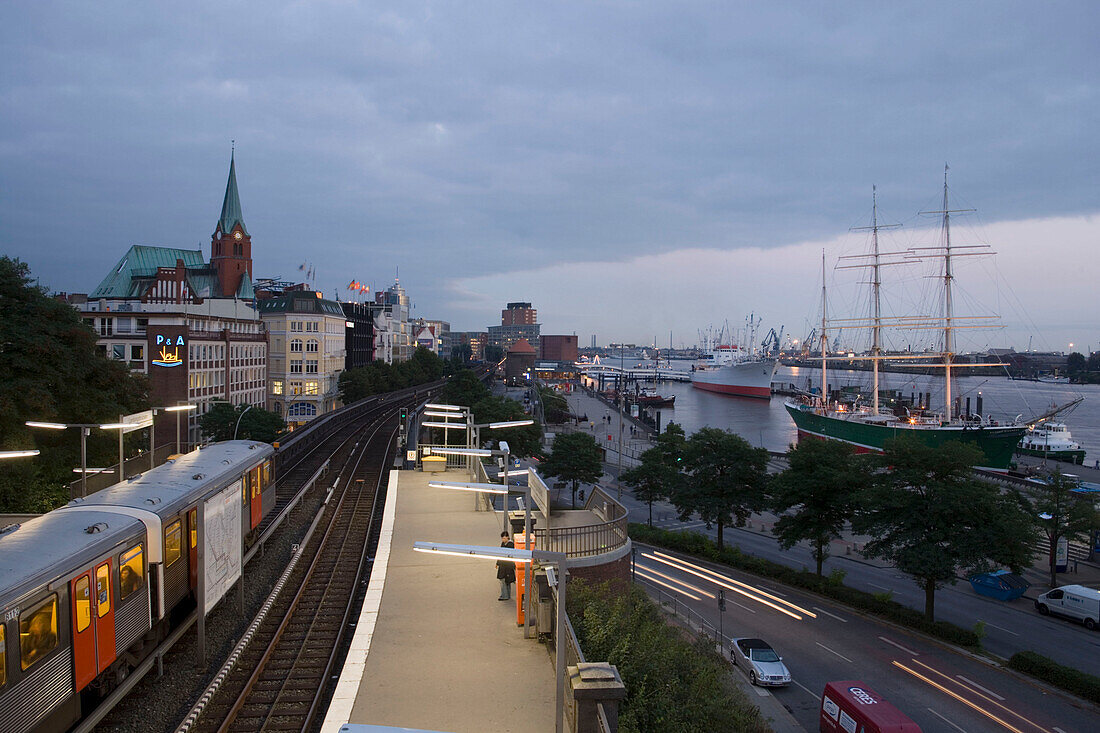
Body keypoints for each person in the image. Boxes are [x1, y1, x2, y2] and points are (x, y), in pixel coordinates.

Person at [497, 531, 516, 601]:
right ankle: (507, 595)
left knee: (503, 580)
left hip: (507, 566)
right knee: (506, 581)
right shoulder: (504, 543)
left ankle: (505, 595)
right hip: (504, 565)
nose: (503, 540)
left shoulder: (510, 545)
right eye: (502, 538)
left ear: (508, 537)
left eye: (504, 538)